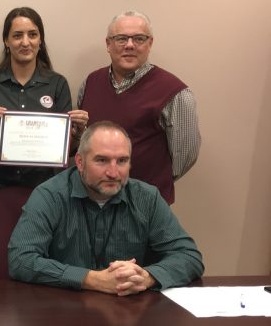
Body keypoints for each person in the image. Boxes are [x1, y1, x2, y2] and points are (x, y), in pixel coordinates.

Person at [8, 121, 204, 296]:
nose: (113, 172)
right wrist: (92, 279)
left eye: (122, 161)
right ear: (80, 162)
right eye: (101, 160)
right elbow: (20, 260)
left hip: (129, 311)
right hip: (64, 309)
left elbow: (189, 256)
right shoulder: (49, 195)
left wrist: (147, 277)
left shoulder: (147, 197)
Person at [0, 7, 88, 269]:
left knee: (42, 261)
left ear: (40, 40)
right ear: (6, 41)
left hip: (43, 190)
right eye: (17, 35)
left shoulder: (56, 83)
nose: (25, 42)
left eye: (33, 35)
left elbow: (67, 151)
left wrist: (77, 132)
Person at [78, 10, 201, 204]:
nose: (129, 45)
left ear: (150, 43)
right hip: (94, 201)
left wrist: (154, 182)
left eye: (139, 38)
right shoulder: (90, 83)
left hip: (145, 206)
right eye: (121, 39)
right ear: (108, 44)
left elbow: (185, 156)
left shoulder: (175, 93)